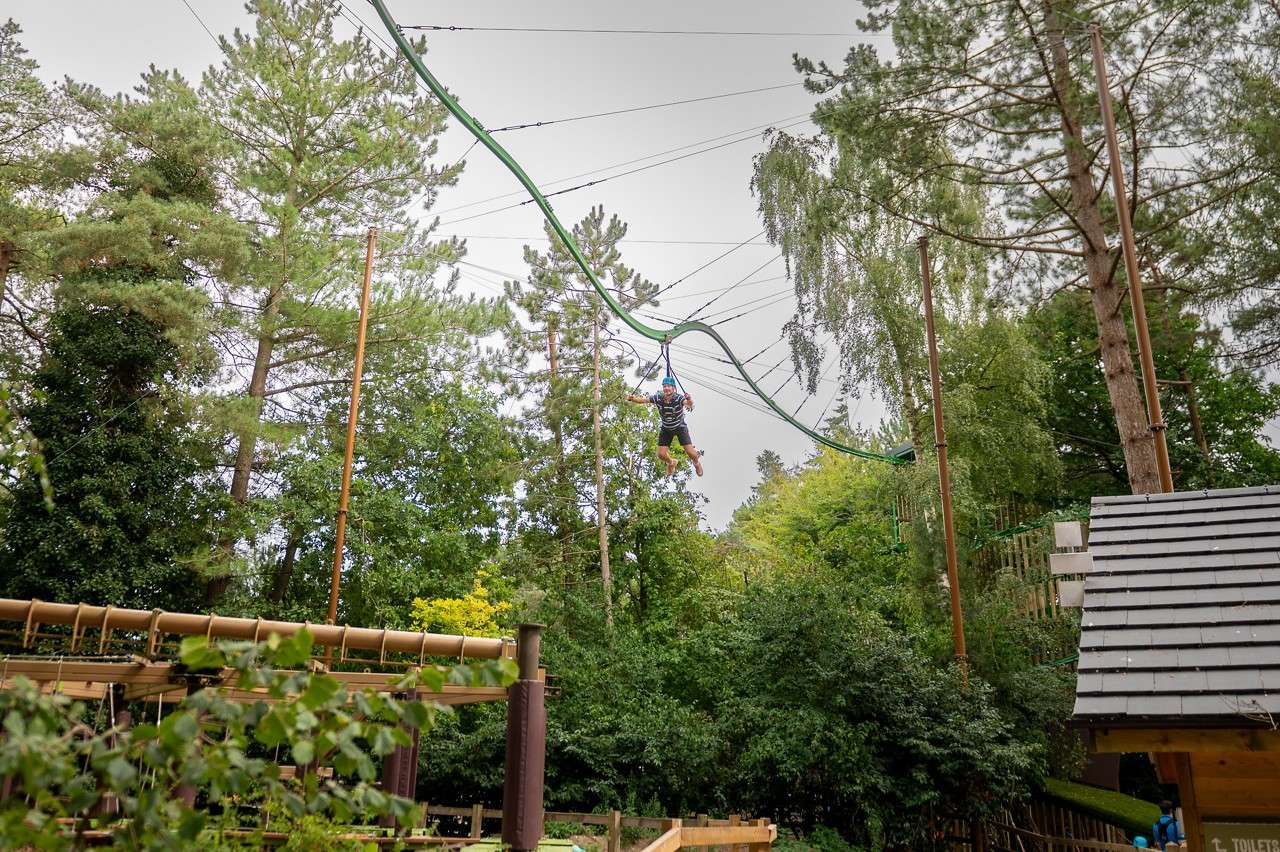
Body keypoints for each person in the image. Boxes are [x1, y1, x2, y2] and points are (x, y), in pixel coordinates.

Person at [626, 376, 703, 477]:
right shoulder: (658, 398)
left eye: (669, 386)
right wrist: (633, 399)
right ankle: (672, 463)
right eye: (665, 386)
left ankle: (697, 463)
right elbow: (643, 400)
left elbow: (688, 404)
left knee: (690, 453)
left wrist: (689, 399)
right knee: (661, 455)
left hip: (680, 427)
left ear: (673, 388)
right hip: (666, 428)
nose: (666, 388)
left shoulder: (678, 398)